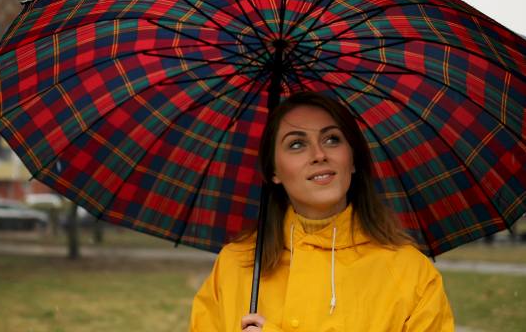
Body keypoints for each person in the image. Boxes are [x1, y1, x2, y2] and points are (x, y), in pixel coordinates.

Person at [189, 91, 454, 331]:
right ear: (274, 171)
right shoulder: (234, 264)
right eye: (296, 144)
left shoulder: (412, 274)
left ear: (352, 160)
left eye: (332, 139)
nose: (318, 154)